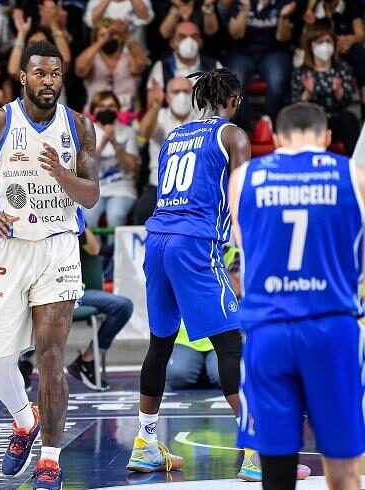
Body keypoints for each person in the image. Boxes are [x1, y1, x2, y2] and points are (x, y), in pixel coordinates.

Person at [0, 41, 100, 489]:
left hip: (59, 248)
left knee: (50, 356)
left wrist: (62, 175)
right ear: (23, 77)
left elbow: (91, 195)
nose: (48, 81)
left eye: (55, 73)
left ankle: (50, 459)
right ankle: (25, 420)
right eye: (40, 73)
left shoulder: (79, 126)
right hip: (10, 246)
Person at [230, 102, 365, 489]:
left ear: (275, 139)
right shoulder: (353, 176)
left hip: (268, 330)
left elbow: (245, 245)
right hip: (331, 326)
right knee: (344, 471)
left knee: (275, 473)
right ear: (327, 138)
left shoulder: (244, 177)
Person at [127, 68, 249, 476]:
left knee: (159, 345)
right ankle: (258, 449)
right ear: (233, 100)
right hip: (195, 243)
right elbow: (241, 197)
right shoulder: (232, 135)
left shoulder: (174, 135)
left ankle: (144, 444)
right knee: (230, 346)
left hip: (157, 240)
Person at [66, 227, 133, 391]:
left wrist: (82, 221)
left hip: (78, 292)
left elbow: (94, 249)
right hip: (45, 292)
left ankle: (86, 360)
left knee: (123, 306)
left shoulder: (73, 223)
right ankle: (24, 363)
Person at [166, 246, 240, 390]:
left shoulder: (233, 255)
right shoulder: (182, 254)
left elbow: (236, 290)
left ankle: (209, 369)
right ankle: (204, 368)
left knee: (225, 378)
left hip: (223, 332)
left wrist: (216, 261)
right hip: (188, 337)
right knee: (178, 376)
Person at [134, 75, 198, 225]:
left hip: (193, 186)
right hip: (159, 186)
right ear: (167, 97)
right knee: (143, 212)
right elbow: (143, 132)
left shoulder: (202, 118)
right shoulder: (159, 116)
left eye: (186, 91)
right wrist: (156, 106)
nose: (181, 96)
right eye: (176, 92)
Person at [225, 0, 295, 129]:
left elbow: (283, 37)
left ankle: (268, 126)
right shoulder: (241, 2)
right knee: (234, 82)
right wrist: (245, 10)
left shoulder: (282, 3)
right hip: (243, 53)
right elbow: (236, 35)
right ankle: (243, 128)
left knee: (277, 80)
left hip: (273, 52)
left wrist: (283, 16)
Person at [291, 24, 359, 155]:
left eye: (328, 41)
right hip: (311, 120)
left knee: (350, 119)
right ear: (311, 45)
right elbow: (296, 105)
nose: (325, 45)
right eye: (320, 42)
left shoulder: (343, 68)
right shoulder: (301, 72)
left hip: (335, 118)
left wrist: (339, 91)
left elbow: (347, 101)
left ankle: (355, 163)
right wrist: (307, 93)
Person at [83, 89, 139, 228]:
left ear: (118, 109)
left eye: (111, 106)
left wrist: (114, 142)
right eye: (101, 106)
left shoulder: (128, 131)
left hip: (122, 189)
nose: (106, 110)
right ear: (94, 110)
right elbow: (85, 166)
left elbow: (132, 167)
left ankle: (114, 244)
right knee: (87, 215)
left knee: (115, 215)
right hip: (94, 189)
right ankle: (94, 244)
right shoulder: (86, 132)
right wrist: (102, 144)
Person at [303, 0, 365, 117]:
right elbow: (308, 39)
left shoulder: (351, 4)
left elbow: (361, 34)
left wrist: (348, 40)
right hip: (320, 54)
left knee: (359, 53)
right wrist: (309, 25)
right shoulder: (314, 8)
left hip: (346, 50)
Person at [75, 18, 148, 111]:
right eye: (102, 35)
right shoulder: (91, 60)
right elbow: (80, 67)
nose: (109, 37)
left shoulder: (129, 58)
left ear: (121, 38)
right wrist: (103, 40)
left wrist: (127, 36)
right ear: (95, 40)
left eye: (114, 34)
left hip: (127, 113)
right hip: (95, 113)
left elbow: (141, 63)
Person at [145, 21, 221, 96]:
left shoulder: (214, 66)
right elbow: (153, 102)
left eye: (194, 36)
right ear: (172, 43)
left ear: (200, 42)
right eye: (182, 37)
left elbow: (225, 100)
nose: (189, 41)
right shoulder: (161, 68)